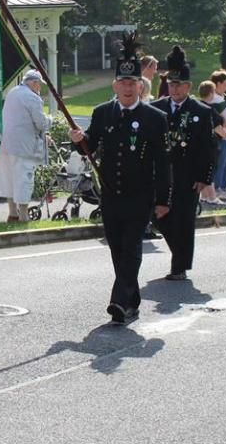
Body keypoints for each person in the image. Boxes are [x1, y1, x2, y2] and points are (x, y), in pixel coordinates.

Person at [68, 35, 170, 323]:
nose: (127, 87)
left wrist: (163, 199)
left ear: (140, 85)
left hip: (140, 195)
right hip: (111, 194)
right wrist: (79, 139)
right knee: (116, 249)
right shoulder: (103, 113)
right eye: (122, 82)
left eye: (132, 82)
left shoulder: (154, 117)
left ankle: (118, 302)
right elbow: (89, 146)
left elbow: (163, 163)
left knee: (131, 248)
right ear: (115, 85)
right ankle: (131, 300)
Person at [151, 46, 214, 282]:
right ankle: (180, 253)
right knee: (158, 216)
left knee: (184, 221)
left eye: (179, 85)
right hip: (161, 174)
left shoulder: (201, 111)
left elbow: (208, 147)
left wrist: (204, 177)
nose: (174, 88)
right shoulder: (156, 108)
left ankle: (179, 266)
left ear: (188, 86)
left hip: (188, 174)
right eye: (171, 84)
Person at [0, 69, 50, 222]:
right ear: (34, 83)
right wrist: (50, 119)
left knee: (9, 179)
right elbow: (41, 123)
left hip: (7, 144)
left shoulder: (12, 92)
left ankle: (12, 213)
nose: (40, 88)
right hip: (24, 147)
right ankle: (24, 216)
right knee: (24, 180)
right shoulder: (32, 97)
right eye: (39, 85)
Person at [208, 69, 226, 202]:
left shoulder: (223, 98)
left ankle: (224, 188)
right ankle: (216, 189)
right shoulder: (213, 99)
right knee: (220, 163)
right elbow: (215, 120)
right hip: (220, 136)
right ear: (218, 83)